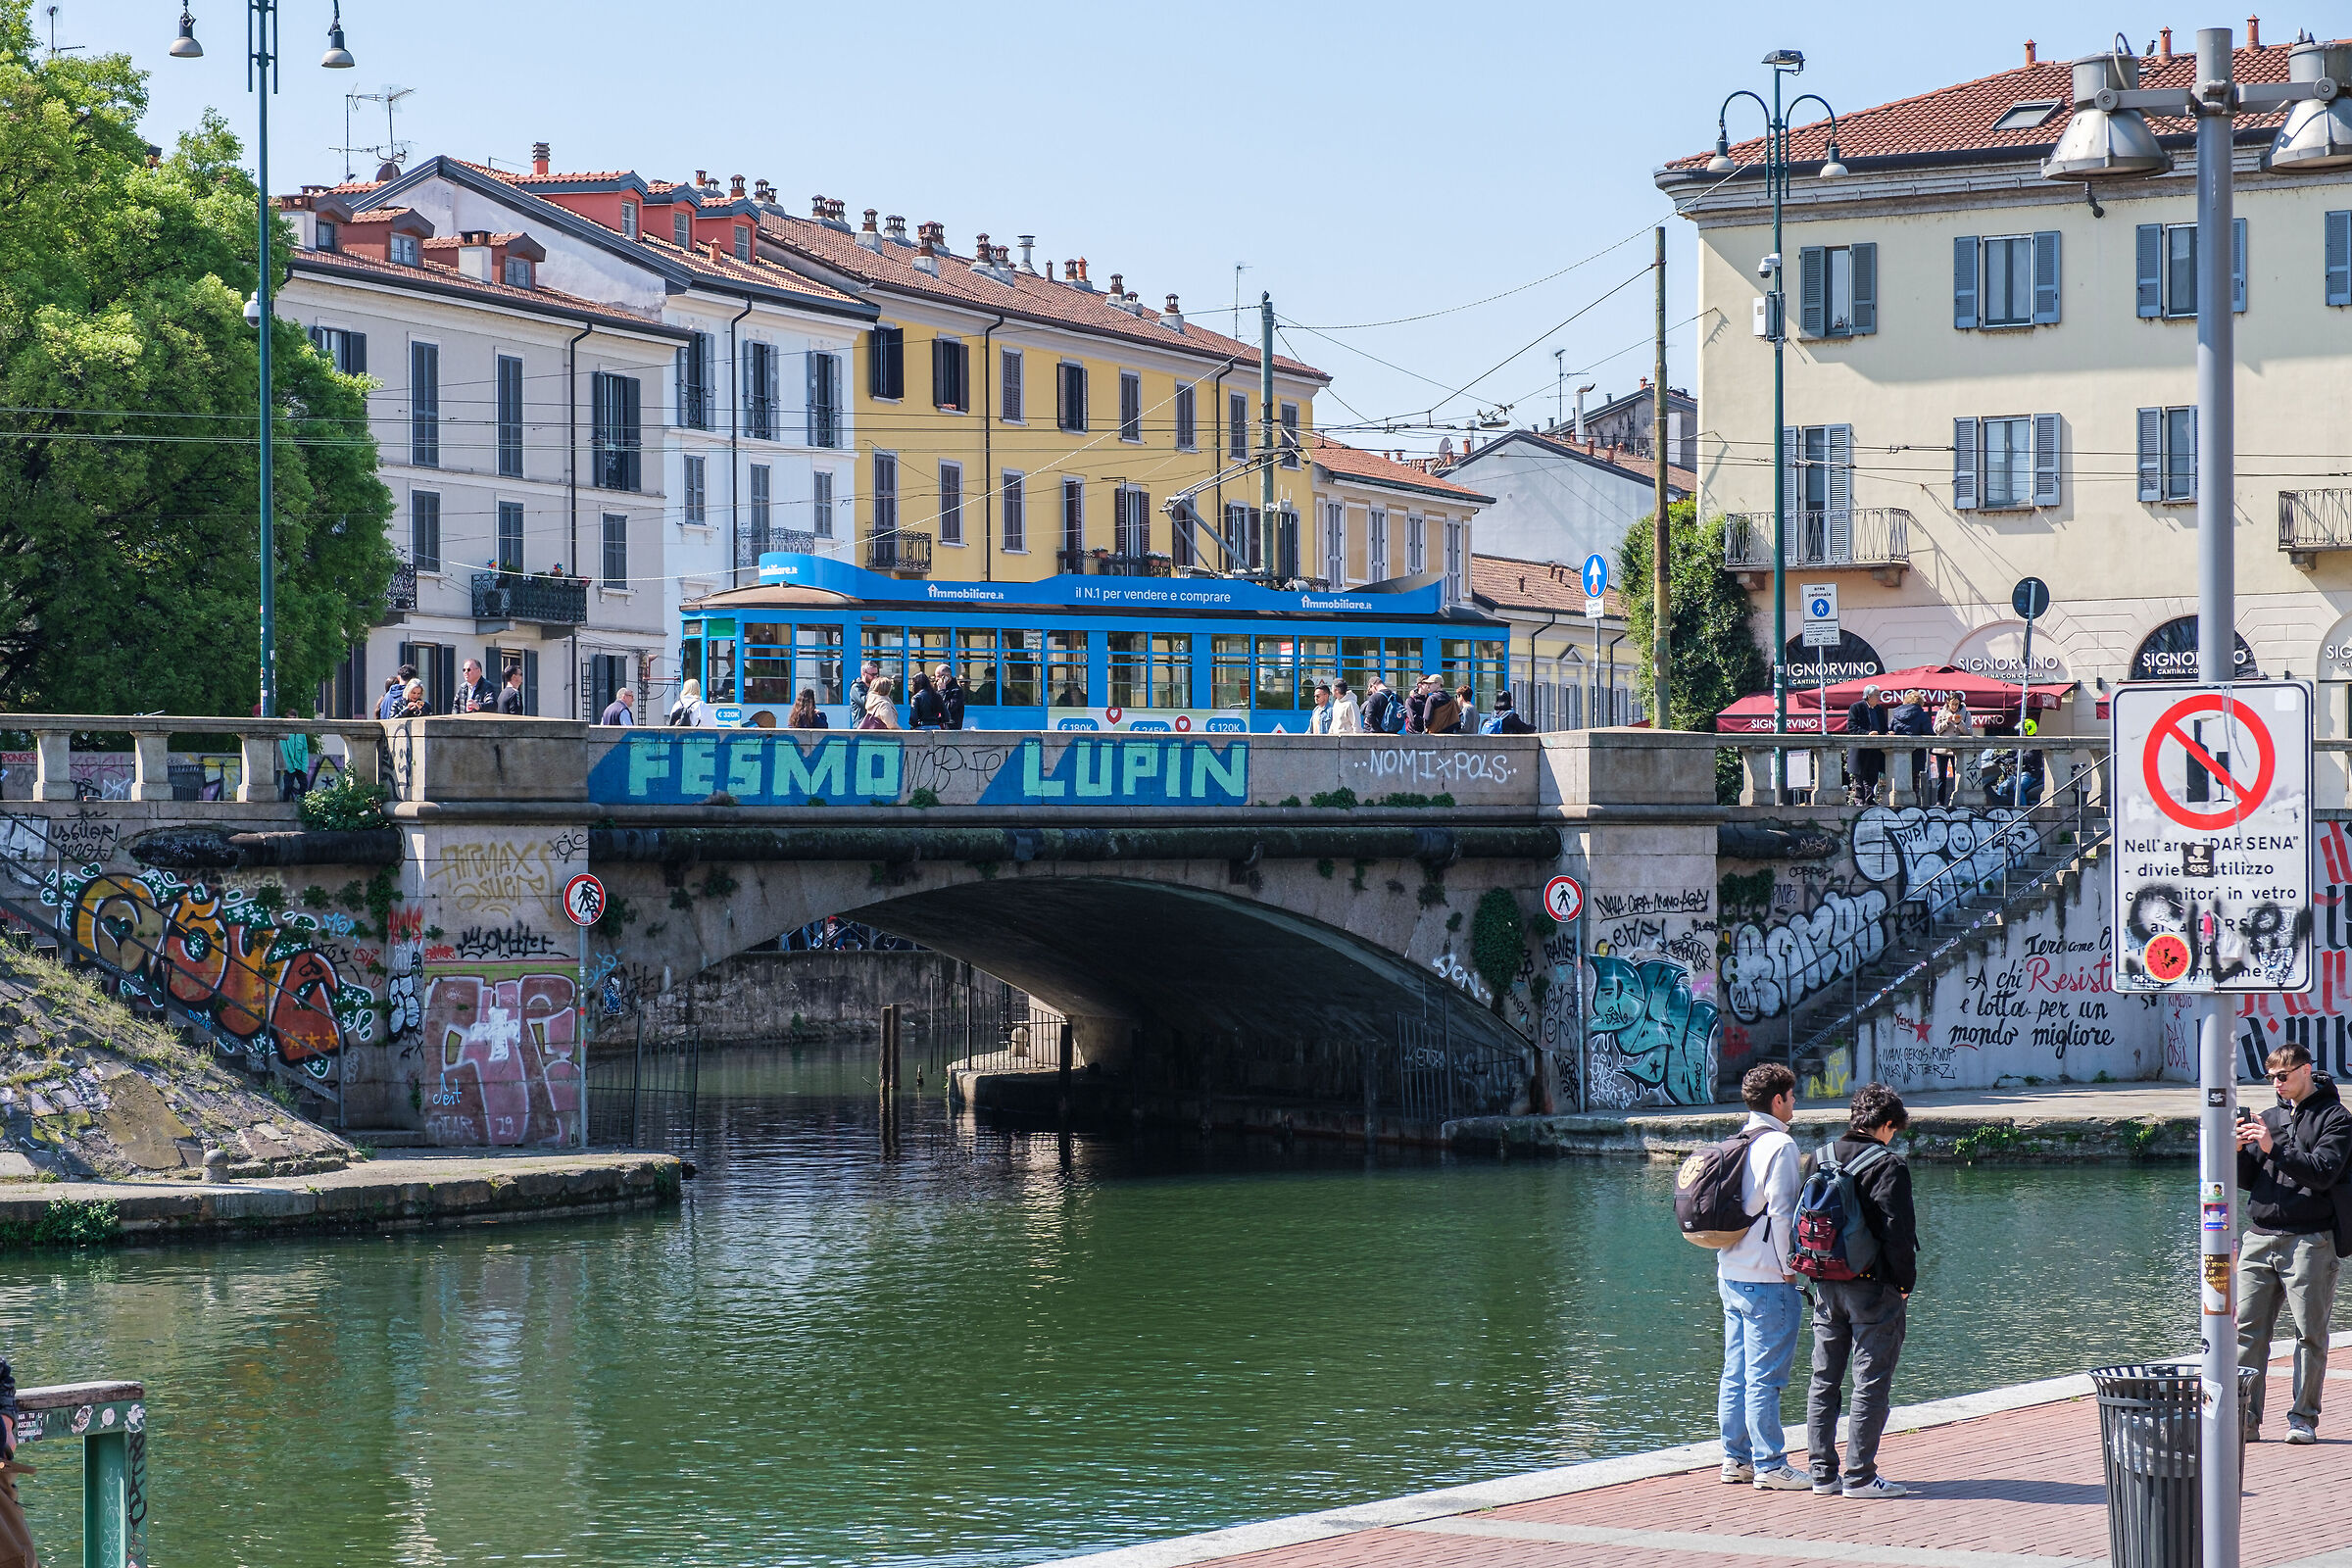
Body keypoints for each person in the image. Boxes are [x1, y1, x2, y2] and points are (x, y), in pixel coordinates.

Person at [1803, 1083, 1919, 1498]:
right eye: (1894, 1129)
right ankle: (1860, 1477)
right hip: (1873, 1289)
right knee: (1870, 1382)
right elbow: (1898, 1234)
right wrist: (1905, 1285)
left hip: (1824, 1284)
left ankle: (1822, 1474)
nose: (1894, 1137)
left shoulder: (1818, 1157)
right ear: (1886, 1125)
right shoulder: (1888, 1165)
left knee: (1823, 1379)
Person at [2236, 1041, 2351, 1445]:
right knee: (2247, 1334)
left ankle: (2303, 1418)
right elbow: (2250, 1179)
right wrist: (2238, 1152)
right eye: (2270, 1078)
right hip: (2259, 1237)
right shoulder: (2269, 1117)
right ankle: (2244, 1422)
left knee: (2310, 1335)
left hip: (2309, 1241)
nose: (2277, 1084)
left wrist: (2274, 1146)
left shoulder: (2336, 1119)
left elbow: (2323, 1173)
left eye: (2283, 1076)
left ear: (2305, 1070)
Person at [1717, 1061, 1807, 1492]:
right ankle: (1770, 1463)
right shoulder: (1781, 1146)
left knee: (1735, 1372)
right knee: (1765, 1378)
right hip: (1768, 1278)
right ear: (1778, 1100)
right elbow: (1783, 1214)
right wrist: (1792, 1270)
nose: (1795, 1103)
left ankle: (1735, 1460)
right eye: (1792, 1096)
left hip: (1730, 1272)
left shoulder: (1737, 1140)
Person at [1845, 684, 1887, 806]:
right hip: (1860, 748)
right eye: (1877, 695)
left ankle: (1869, 799)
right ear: (1868, 696)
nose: (1879, 697)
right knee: (1859, 775)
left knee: (1872, 775)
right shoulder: (1856, 707)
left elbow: (1883, 727)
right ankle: (1859, 800)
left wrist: (1887, 732)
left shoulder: (1879, 709)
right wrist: (1867, 733)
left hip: (1875, 749)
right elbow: (1852, 726)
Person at [1889, 688, 1934, 804]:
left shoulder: (1896, 714)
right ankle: (1915, 803)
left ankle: (1898, 802)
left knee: (1899, 778)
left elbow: (1890, 730)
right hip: (1917, 752)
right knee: (1914, 780)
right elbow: (1929, 732)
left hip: (1897, 752)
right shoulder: (1921, 714)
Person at [1930, 695, 1972, 808]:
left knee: (1958, 775)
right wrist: (1946, 722)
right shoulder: (1941, 712)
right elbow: (1936, 730)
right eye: (1952, 704)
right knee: (1941, 776)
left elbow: (1969, 732)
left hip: (1957, 750)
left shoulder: (1966, 714)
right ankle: (1940, 801)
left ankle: (1956, 799)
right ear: (1948, 703)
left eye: (1956, 704)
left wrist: (1959, 723)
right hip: (1942, 748)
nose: (1954, 706)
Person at [278, 727, 313, 800]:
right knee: (288, 786)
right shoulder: (285, 734)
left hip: (300, 765)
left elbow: (304, 750)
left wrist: (304, 767)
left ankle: (301, 802)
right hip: (289, 765)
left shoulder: (301, 734)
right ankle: (285, 803)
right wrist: (289, 766)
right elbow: (284, 751)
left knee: (304, 785)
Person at [936, 663, 966, 730]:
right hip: (939, 727)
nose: (936, 679)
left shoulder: (957, 691)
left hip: (951, 728)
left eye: (938, 676)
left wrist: (942, 691)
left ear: (947, 676)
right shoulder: (938, 689)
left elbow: (947, 708)